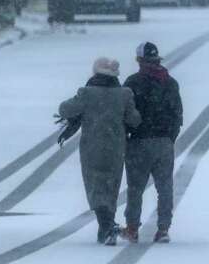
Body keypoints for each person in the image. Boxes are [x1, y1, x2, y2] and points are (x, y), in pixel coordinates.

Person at [58, 57, 141, 245]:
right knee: (111, 187)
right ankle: (107, 226)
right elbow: (134, 120)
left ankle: (106, 227)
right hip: (116, 148)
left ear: (96, 73)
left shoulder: (87, 93)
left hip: (92, 148)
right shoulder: (124, 94)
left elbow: (65, 109)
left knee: (95, 187)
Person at [121, 41, 183, 244]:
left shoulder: (132, 83)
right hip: (164, 143)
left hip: (139, 142)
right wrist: (169, 138)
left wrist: (129, 135)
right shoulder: (170, 83)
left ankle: (132, 229)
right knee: (165, 188)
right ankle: (163, 228)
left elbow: (125, 114)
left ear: (139, 60)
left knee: (135, 189)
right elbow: (177, 115)